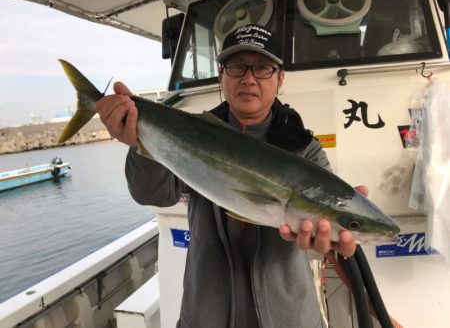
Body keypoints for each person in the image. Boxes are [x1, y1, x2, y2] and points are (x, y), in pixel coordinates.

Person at [96, 24, 364, 328]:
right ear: (222, 75)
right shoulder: (193, 133)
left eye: (262, 67)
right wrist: (140, 144)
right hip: (207, 314)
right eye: (237, 67)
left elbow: (326, 222)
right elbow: (153, 194)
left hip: (288, 317)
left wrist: (328, 241)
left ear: (279, 79)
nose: (248, 78)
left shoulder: (305, 149)